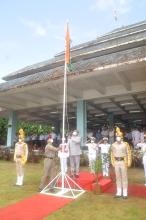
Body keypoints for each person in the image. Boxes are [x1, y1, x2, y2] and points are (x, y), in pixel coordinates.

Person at [111, 127, 132, 199]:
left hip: (123, 162)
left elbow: (128, 153)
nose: (117, 138)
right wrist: (113, 162)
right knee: (118, 177)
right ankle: (119, 192)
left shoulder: (125, 144)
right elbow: (112, 154)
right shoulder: (113, 145)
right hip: (116, 162)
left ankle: (125, 193)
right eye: (116, 136)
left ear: (121, 137)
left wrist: (129, 162)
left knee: (124, 177)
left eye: (119, 136)